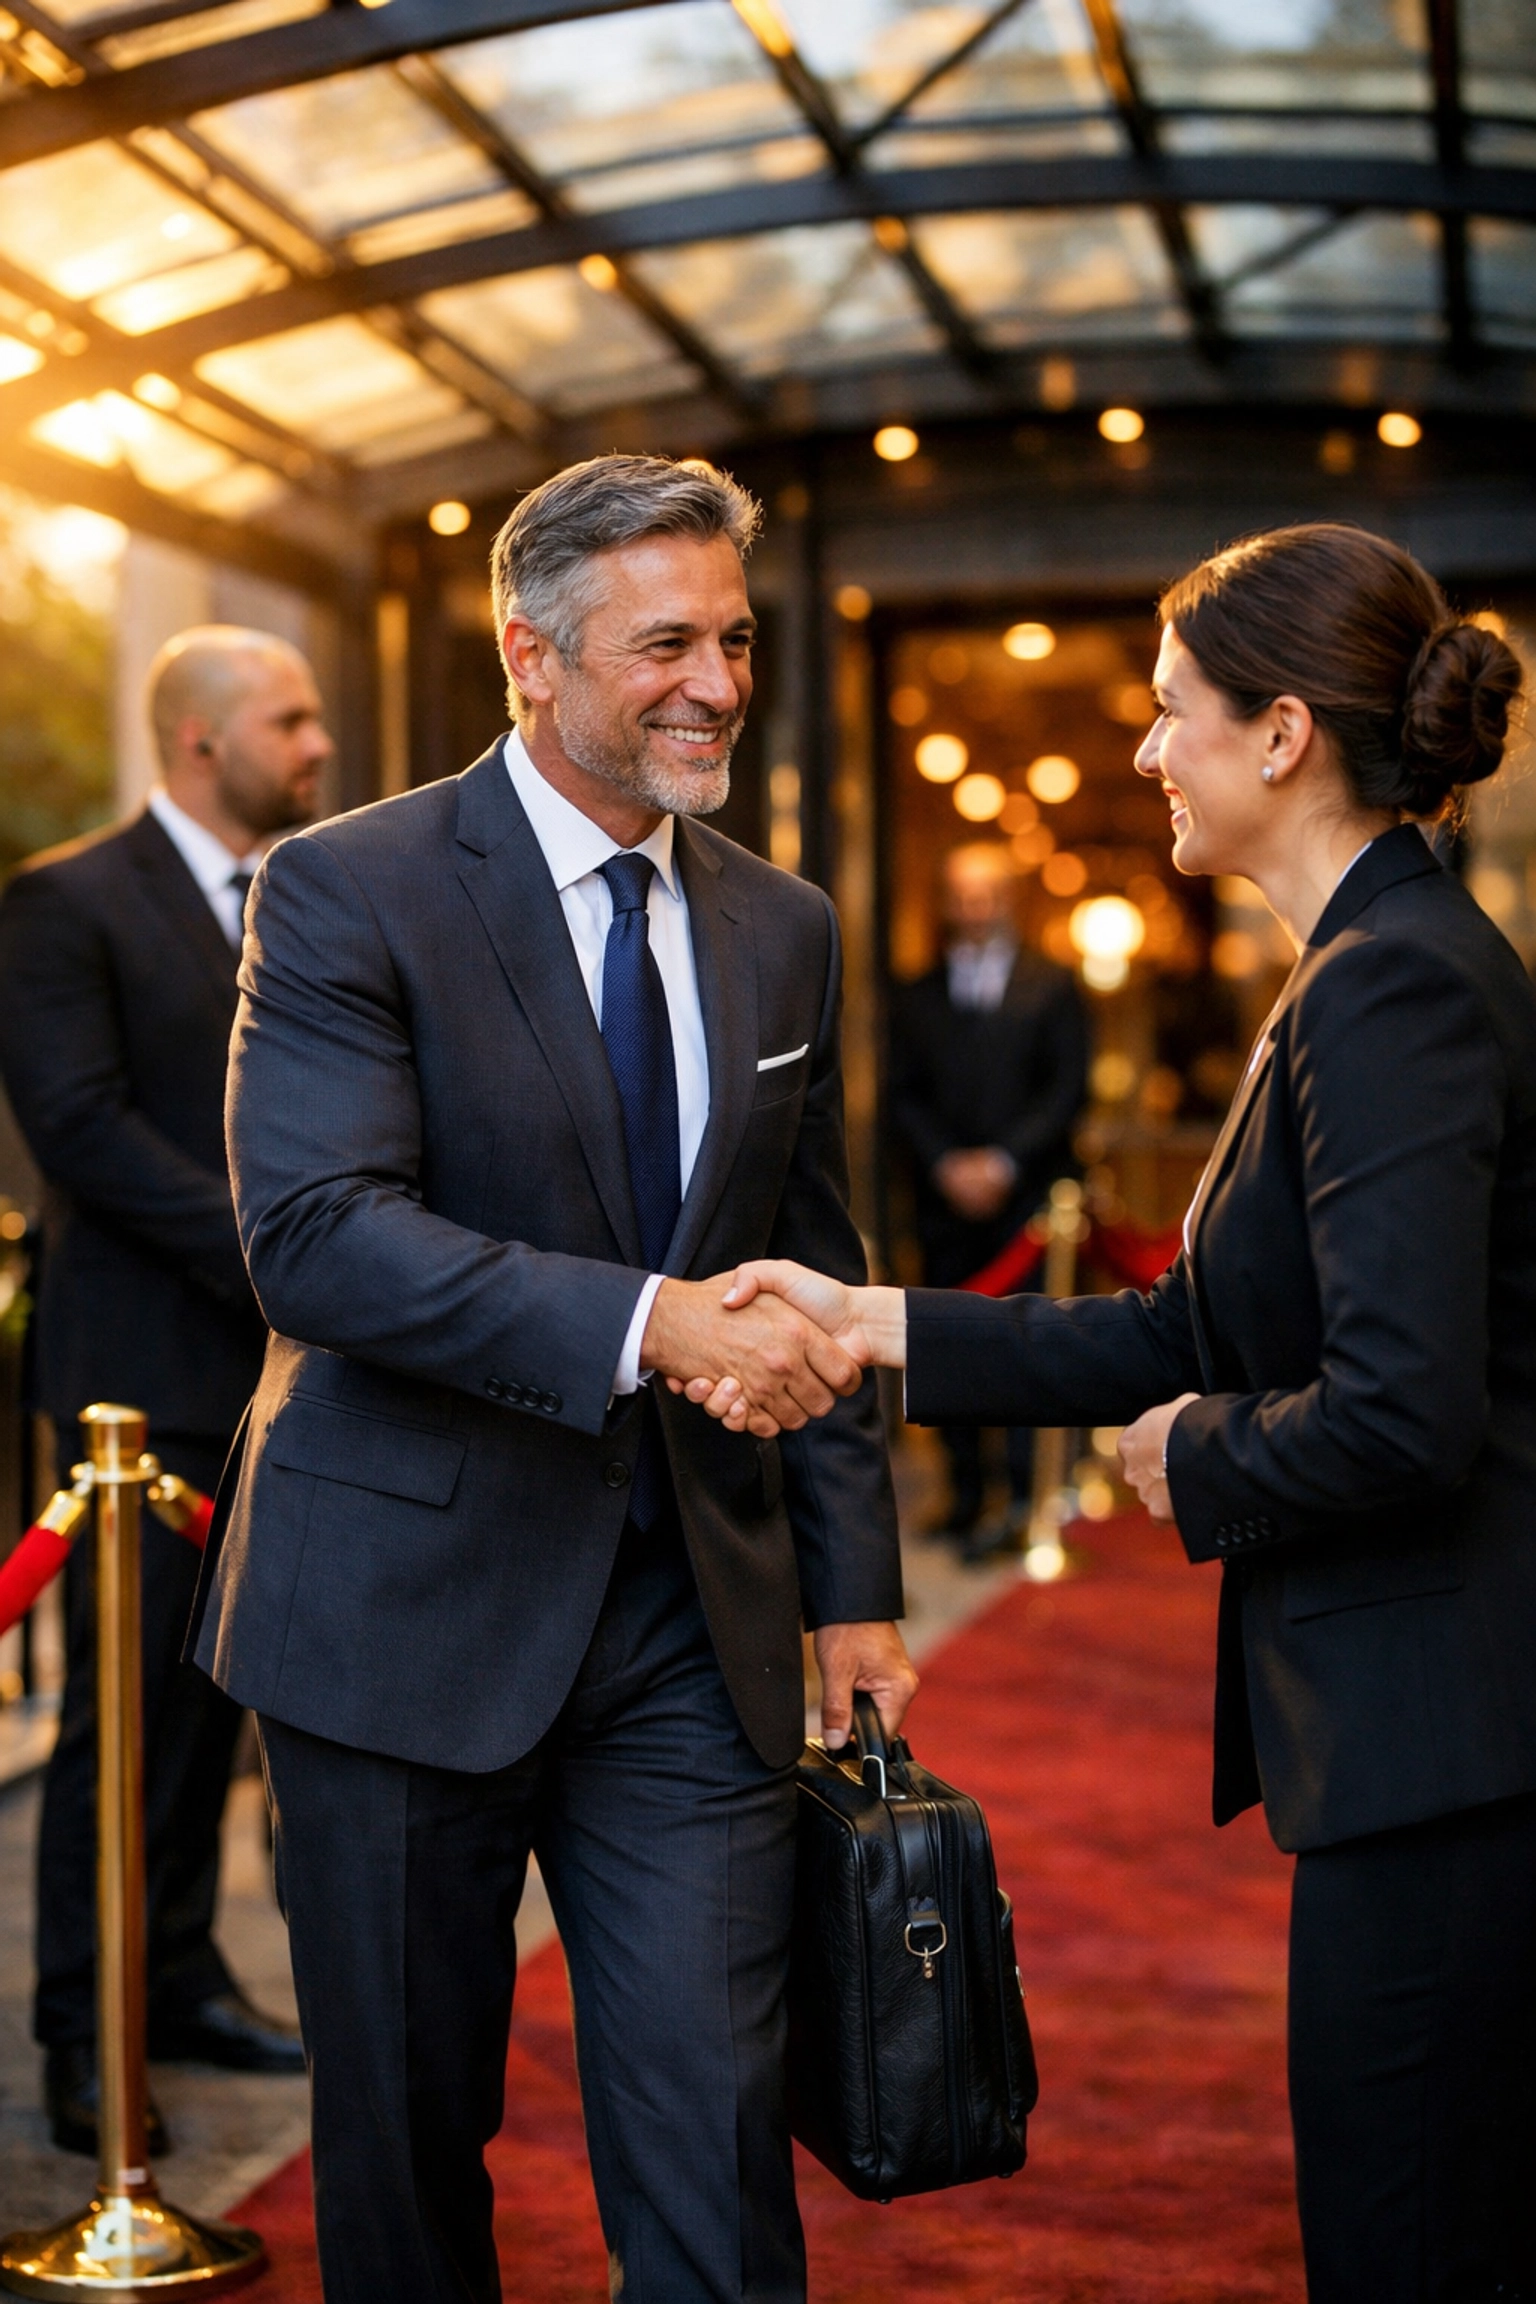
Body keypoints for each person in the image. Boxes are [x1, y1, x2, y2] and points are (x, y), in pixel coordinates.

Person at [705, 525, 1535, 2302]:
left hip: (1456, 1737)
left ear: (1284, 732)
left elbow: (1405, 1412)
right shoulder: (1365, 962)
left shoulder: (1386, 983)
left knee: (1409, 2232)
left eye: (1170, 713)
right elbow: (1182, 1317)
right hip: (1433, 1727)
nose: (1147, 750)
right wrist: (866, 1319)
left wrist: (1187, 1454)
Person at [191, 456, 915, 2304]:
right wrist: (649, 1322)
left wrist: (857, 1594)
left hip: (693, 1617)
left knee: (712, 2129)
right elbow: (322, 1236)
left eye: (735, 638)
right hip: (397, 1618)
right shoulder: (348, 888)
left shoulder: (787, 924)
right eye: (666, 641)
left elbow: (810, 1276)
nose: (720, 683)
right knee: (411, 2149)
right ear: (532, 653)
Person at [0, 626, 326, 2152]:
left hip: (277, 1389)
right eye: (293, 719)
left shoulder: (308, 893)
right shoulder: (66, 902)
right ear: (201, 740)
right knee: (118, 1732)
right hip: (136, 1393)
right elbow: (78, 1127)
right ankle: (83, 2026)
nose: (319, 744)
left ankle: (184, 1975)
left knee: (212, 1720)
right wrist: (288, 1253)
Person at [888, 840, 1086, 1551]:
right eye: (961, 894)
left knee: (1028, 1350)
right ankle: (966, 1493)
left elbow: (1066, 1091)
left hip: (1026, 1206)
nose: (974, 906)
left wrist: (1002, 1163)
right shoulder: (915, 991)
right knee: (949, 1350)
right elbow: (902, 1095)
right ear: (947, 902)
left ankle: (1027, 1499)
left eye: (987, 893)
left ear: (1009, 898)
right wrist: (948, 1165)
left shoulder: (1053, 985)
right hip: (944, 1211)